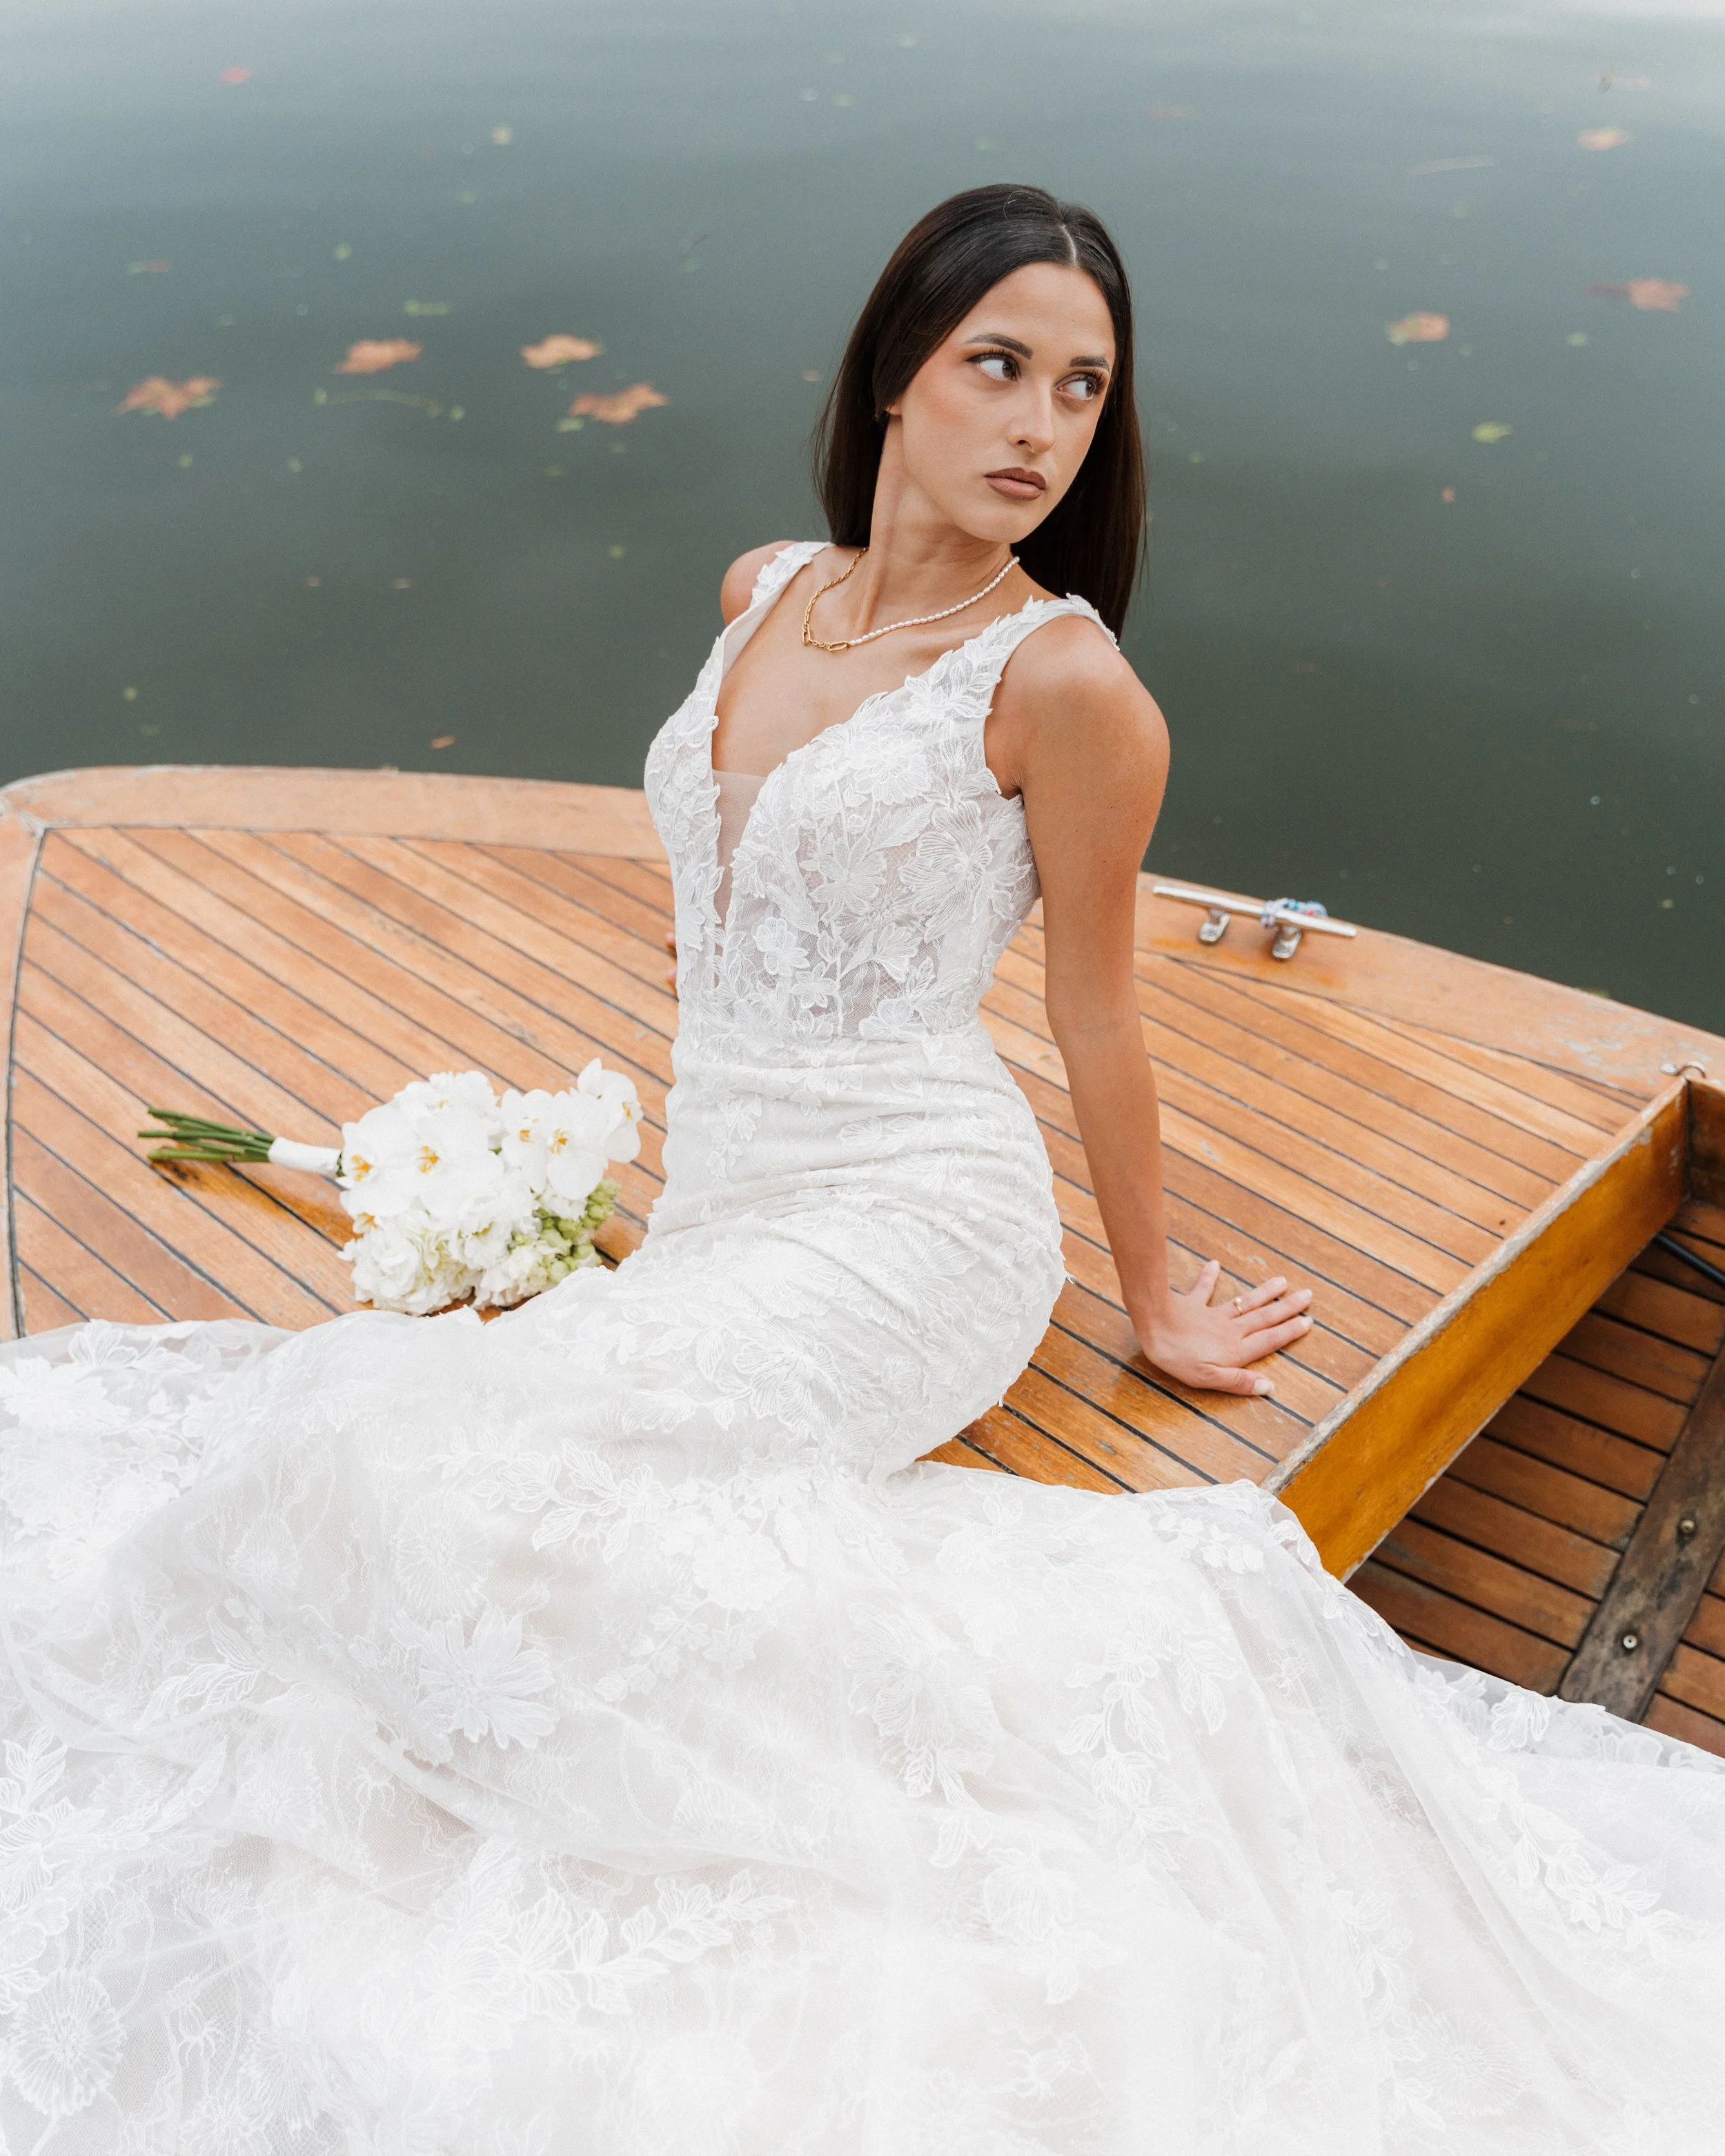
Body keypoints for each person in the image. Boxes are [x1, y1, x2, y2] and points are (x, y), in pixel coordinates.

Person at [1, 186, 1719, 2155]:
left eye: (1081, 387)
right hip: (728, 1195)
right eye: (997, 364)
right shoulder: (763, 589)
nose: (1038, 426)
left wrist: (1152, 1299)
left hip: (918, 1217)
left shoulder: (1064, 689)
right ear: (892, 373)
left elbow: (1094, 1016)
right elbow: (725, 907)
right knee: (384, 1450)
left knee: (446, 1466)